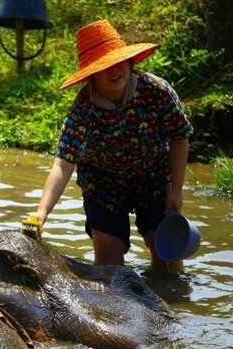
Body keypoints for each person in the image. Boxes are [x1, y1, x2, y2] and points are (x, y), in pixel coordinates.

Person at [32, 19, 193, 271]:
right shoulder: (83, 108)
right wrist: (41, 213)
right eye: (104, 67)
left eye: (119, 62)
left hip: (153, 175)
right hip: (103, 182)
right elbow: (63, 164)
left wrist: (177, 190)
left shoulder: (156, 91)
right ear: (91, 76)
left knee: (168, 257)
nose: (114, 70)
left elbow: (179, 137)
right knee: (108, 258)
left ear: (129, 62)